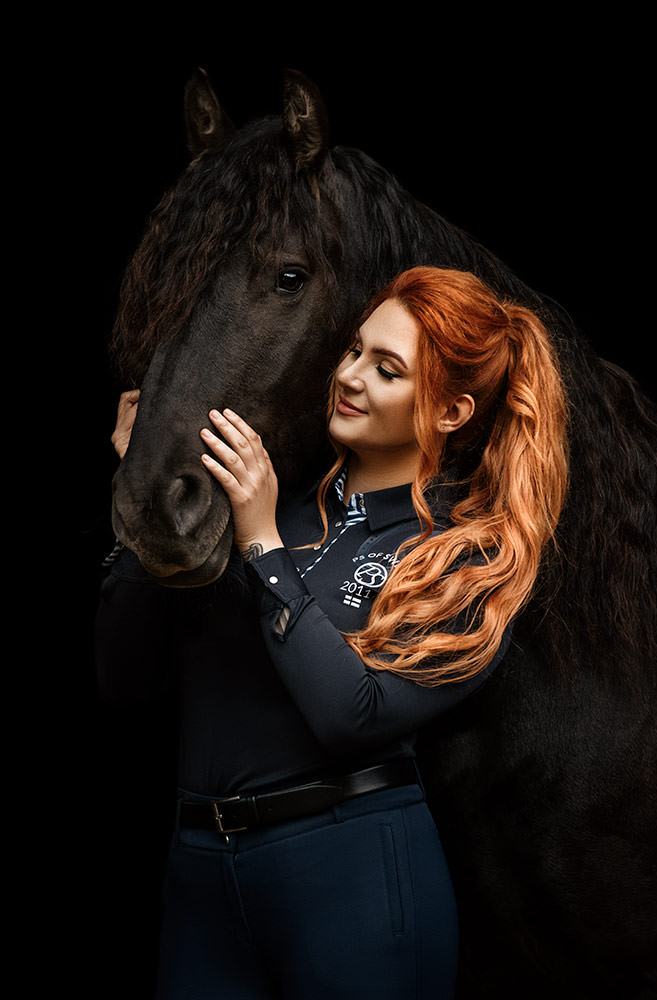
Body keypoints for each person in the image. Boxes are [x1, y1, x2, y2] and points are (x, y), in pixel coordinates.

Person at [96, 266, 568, 998]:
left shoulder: (462, 556)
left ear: (449, 411)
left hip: (349, 875)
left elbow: (355, 715)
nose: (349, 377)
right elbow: (124, 679)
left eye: (386, 370)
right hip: (199, 871)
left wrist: (261, 549)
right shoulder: (266, 506)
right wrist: (143, 505)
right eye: (352, 351)